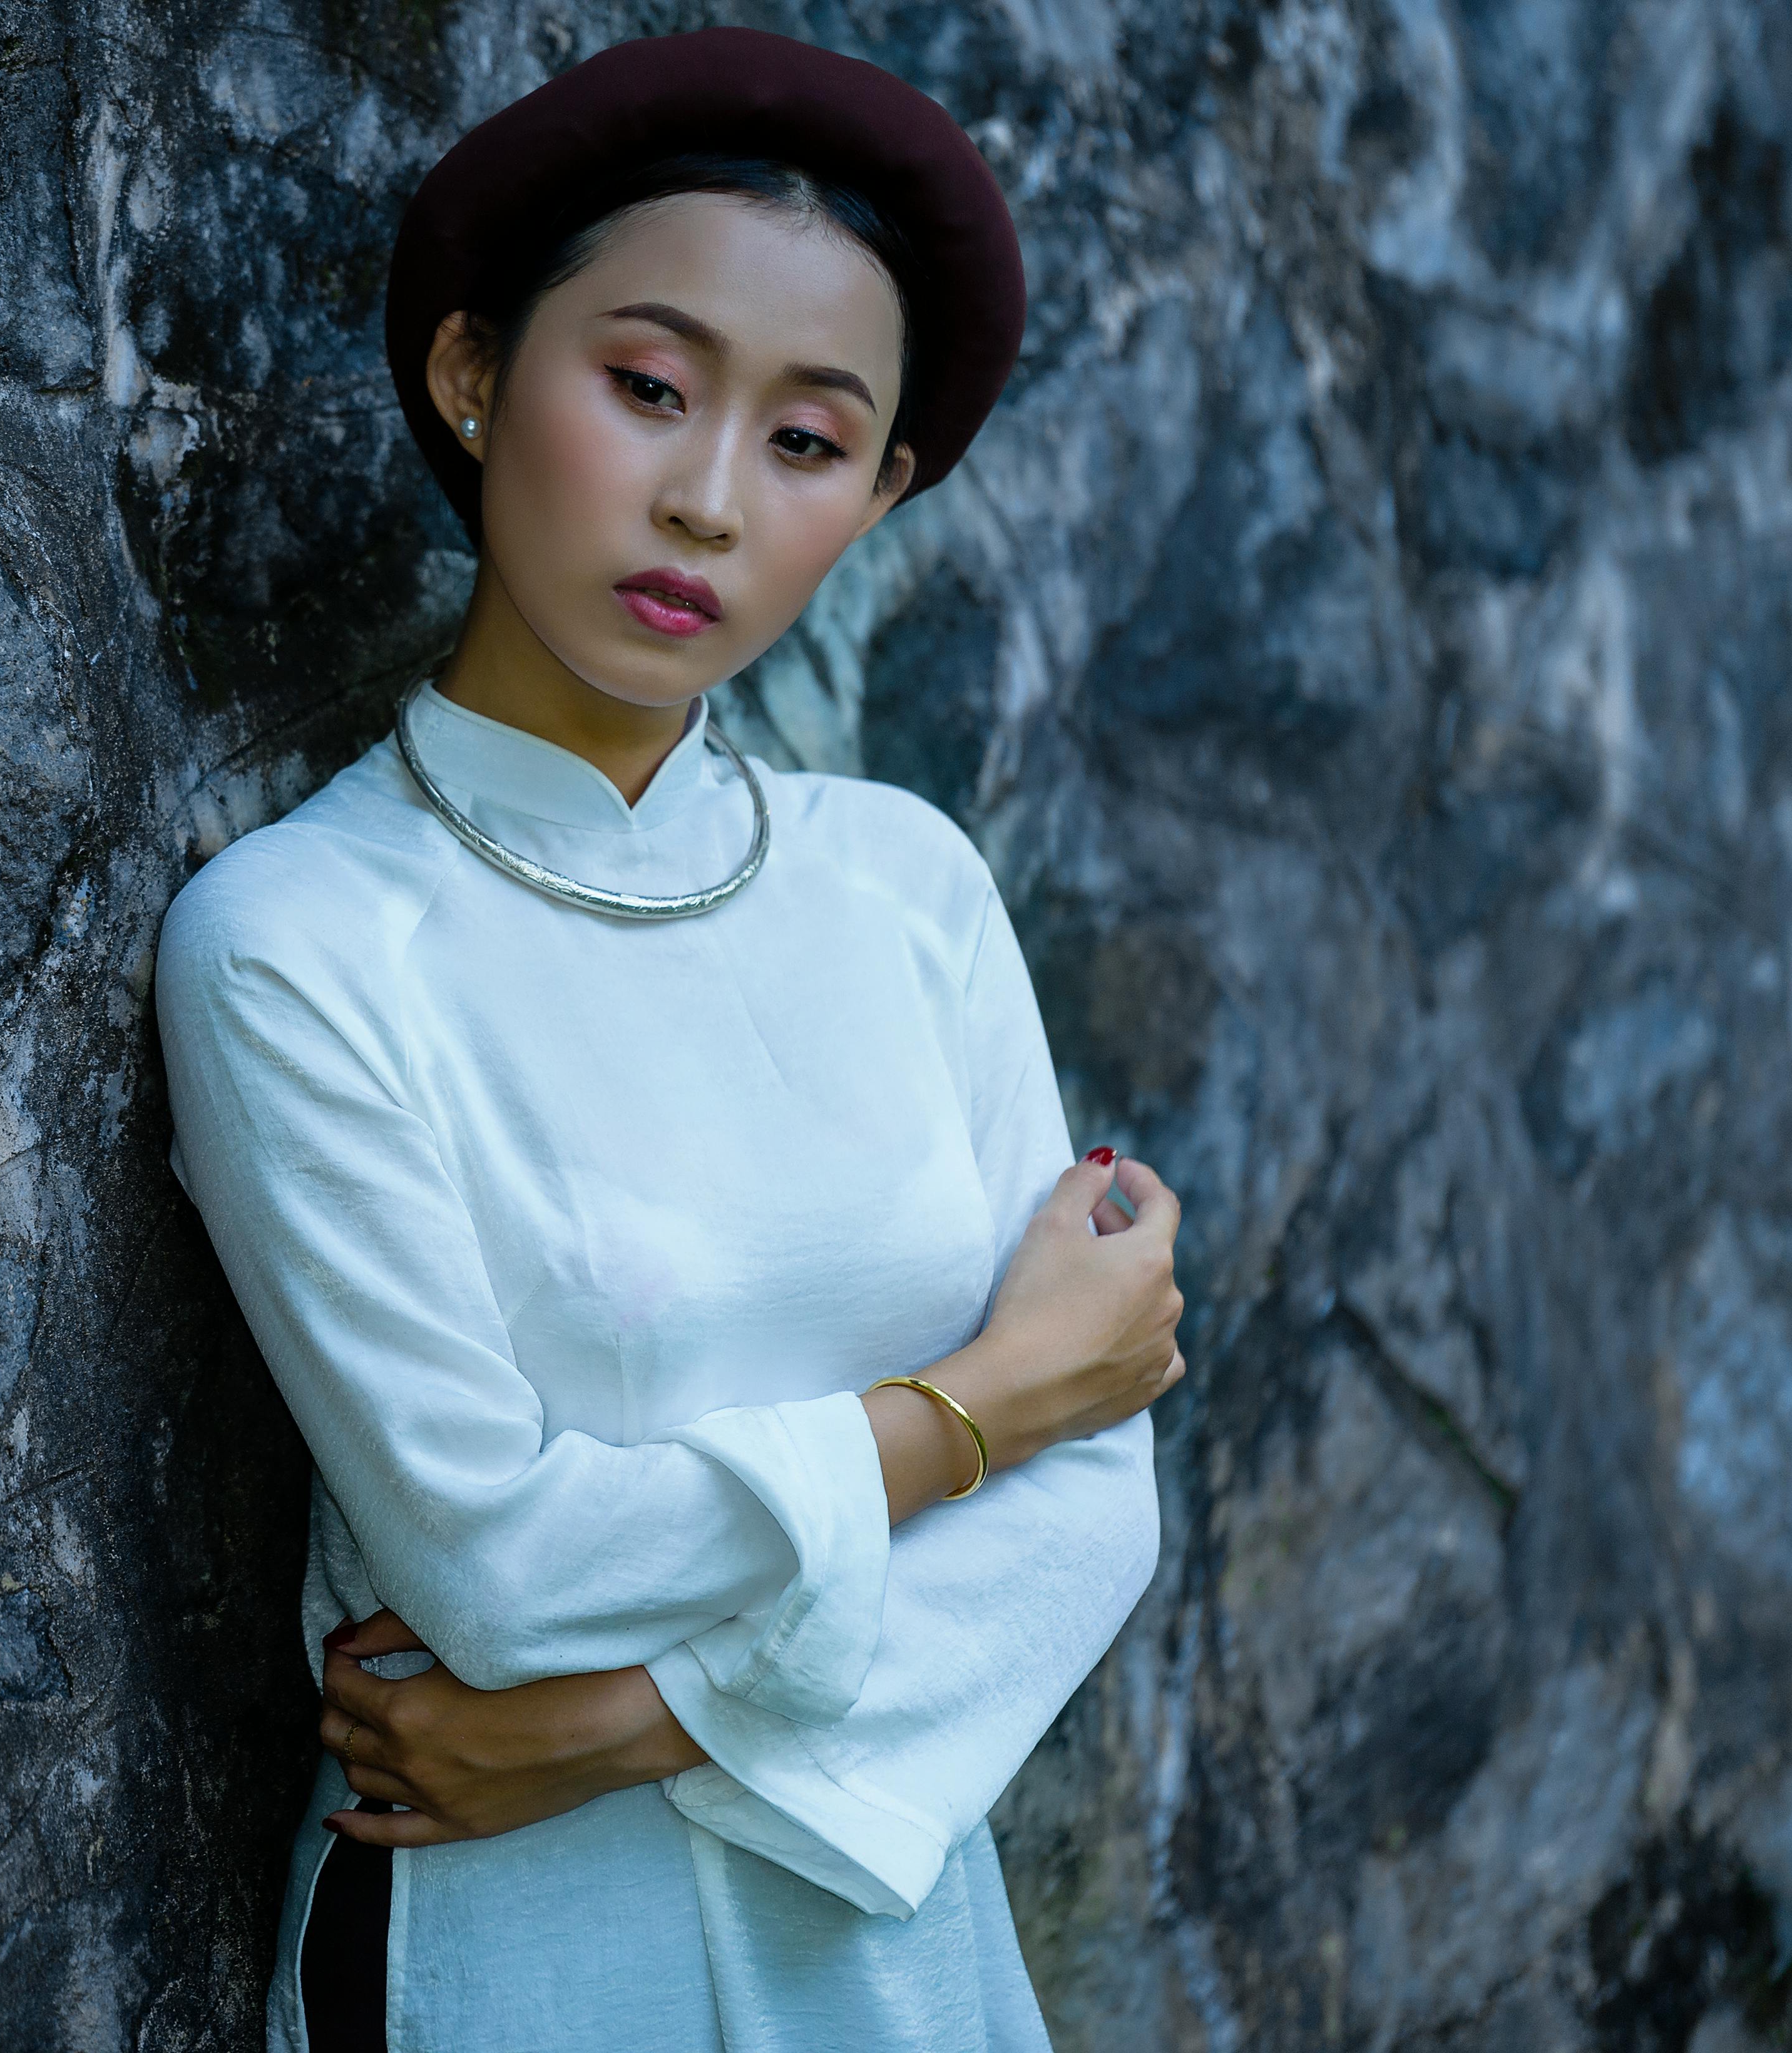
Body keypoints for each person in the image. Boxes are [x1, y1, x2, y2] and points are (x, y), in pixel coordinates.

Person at [154, 28, 1184, 2052]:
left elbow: (1098, 1516)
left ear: (881, 494)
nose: (707, 502)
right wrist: (980, 1403)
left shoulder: (908, 888)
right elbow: (501, 1569)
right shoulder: (295, 948)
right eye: (645, 390)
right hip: (509, 1961)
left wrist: (632, 1728)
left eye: (809, 445)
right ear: (472, 374)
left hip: (889, 1945)